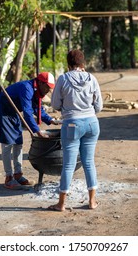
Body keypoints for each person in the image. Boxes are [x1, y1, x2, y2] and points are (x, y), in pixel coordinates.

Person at [48, 49, 103, 211]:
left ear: (68, 63)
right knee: (89, 163)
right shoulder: (92, 78)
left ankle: (61, 204)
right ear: (82, 63)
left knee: (68, 165)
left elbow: (55, 105)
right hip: (92, 123)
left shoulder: (63, 79)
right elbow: (99, 106)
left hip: (72, 125)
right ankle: (92, 202)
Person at [0, 72, 58, 190]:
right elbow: (27, 112)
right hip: (1, 110)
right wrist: (38, 131)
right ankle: (9, 177)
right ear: (41, 83)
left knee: (18, 143)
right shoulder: (27, 88)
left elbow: (37, 108)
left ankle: (18, 175)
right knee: (7, 144)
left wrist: (50, 120)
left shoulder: (37, 91)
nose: (48, 90)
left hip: (13, 112)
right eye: (47, 87)